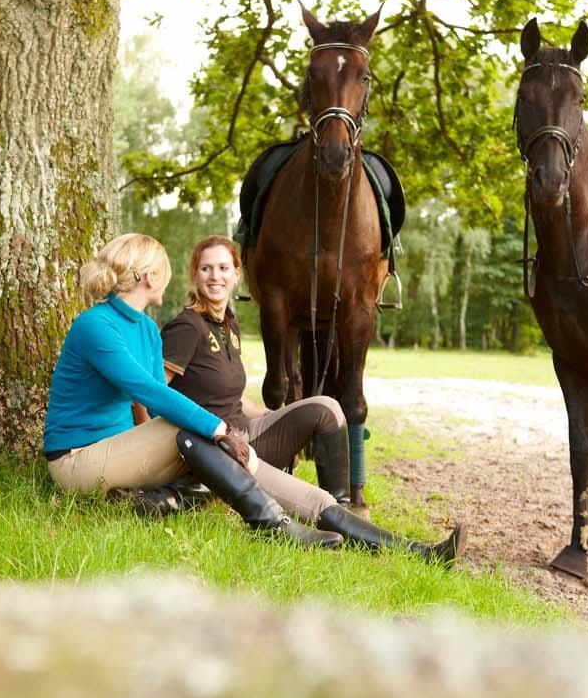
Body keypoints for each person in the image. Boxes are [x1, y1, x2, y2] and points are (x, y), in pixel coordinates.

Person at [156, 235, 464, 563]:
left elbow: (227, 394)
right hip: (223, 449)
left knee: (326, 407)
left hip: (248, 430)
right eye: (206, 268)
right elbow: (155, 393)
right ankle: (421, 554)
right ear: (195, 274)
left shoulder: (227, 324)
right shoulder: (186, 328)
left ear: (237, 274)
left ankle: (346, 505)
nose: (214, 276)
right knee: (315, 501)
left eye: (222, 268)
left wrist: (278, 416)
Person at [43, 232, 341, 550]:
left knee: (199, 433)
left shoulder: (145, 328)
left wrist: (212, 435)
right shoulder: (95, 325)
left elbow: (155, 404)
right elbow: (148, 391)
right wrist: (218, 428)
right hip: (76, 462)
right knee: (192, 427)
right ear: (150, 277)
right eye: (167, 270)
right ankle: (269, 523)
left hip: (120, 452)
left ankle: (322, 508)